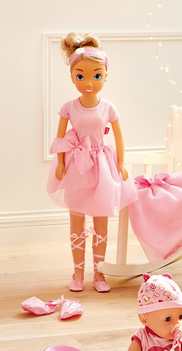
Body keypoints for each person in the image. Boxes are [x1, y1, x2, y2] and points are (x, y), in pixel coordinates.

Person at [47, 32, 138, 293]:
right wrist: (60, 163)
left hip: (103, 167)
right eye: (81, 76)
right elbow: (61, 139)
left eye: (96, 76)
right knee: (76, 220)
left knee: (101, 221)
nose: (89, 83)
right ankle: (77, 274)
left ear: (105, 76)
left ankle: (99, 274)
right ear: (72, 76)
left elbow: (119, 138)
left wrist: (121, 163)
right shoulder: (69, 107)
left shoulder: (108, 108)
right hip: (77, 166)